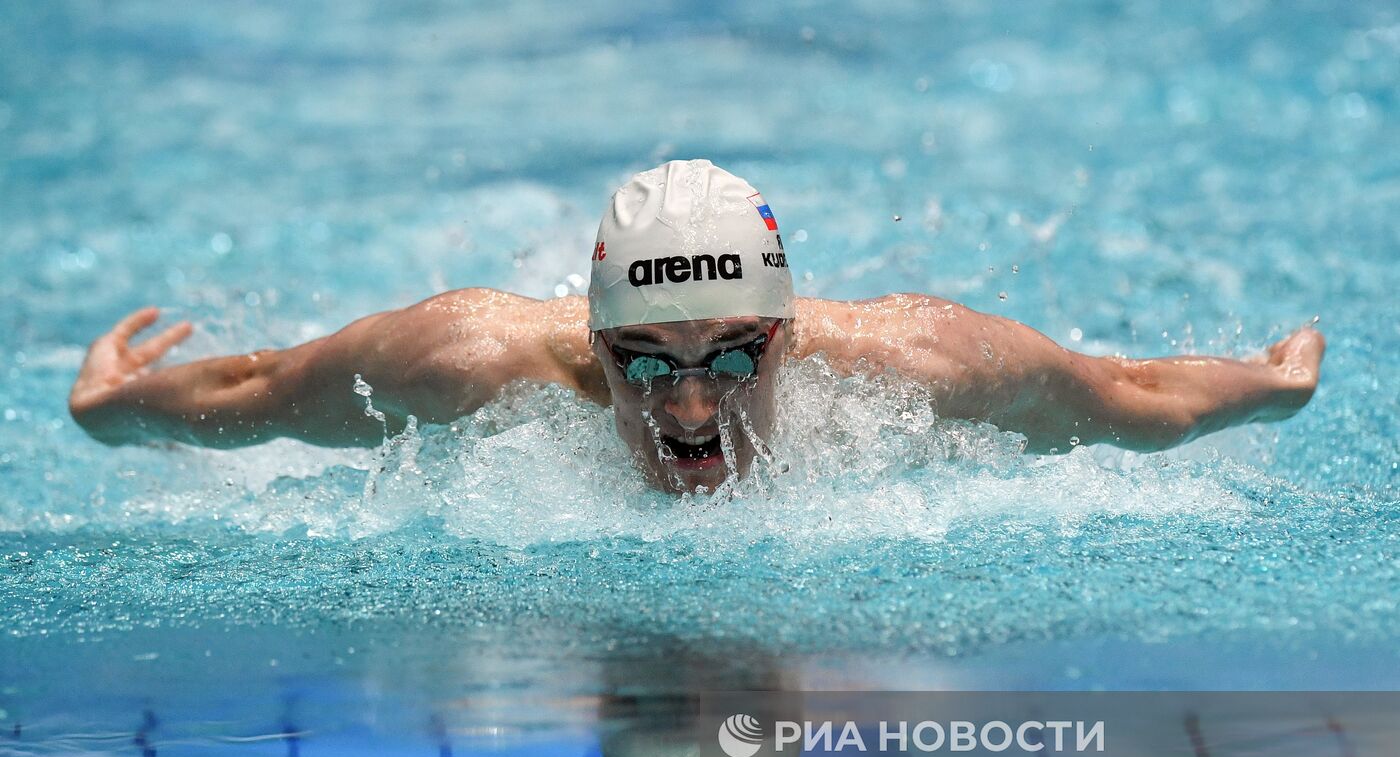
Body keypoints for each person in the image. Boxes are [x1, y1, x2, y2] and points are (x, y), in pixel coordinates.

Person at [68, 159, 1325, 494]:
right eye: (641, 363)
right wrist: (115, 413)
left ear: (787, 333)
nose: (685, 408)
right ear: (589, 338)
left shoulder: (918, 361)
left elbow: (1124, 400)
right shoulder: (462, 362)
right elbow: (262, 387)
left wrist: (1265, 389)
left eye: (733, 355)